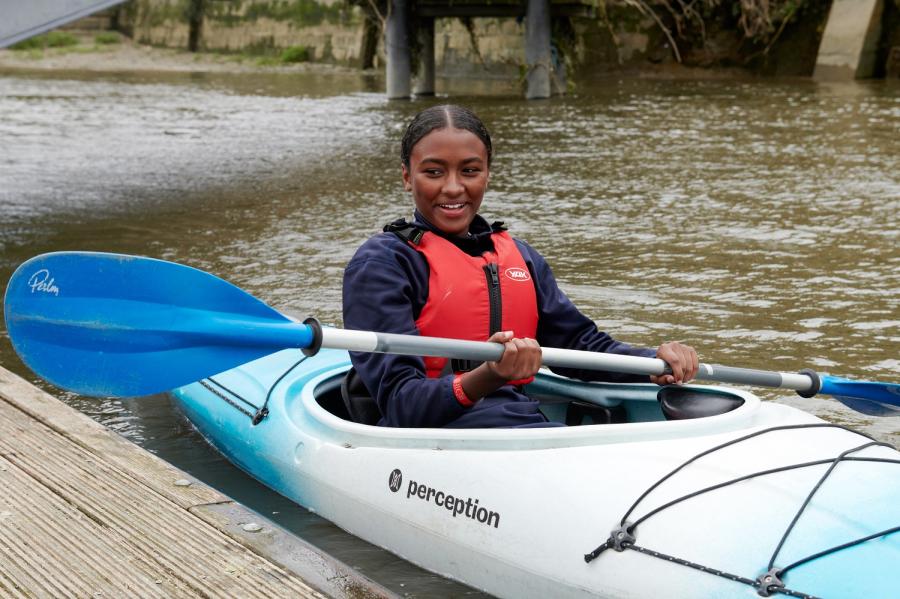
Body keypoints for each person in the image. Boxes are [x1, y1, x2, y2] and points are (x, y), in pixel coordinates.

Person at [342, 104, 698, 428]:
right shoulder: (383, 264)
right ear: (407, 177)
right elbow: (403, 406)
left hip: (520, 422)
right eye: (433, 172)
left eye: (469, 171)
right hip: (436, 436)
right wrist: (488, 376)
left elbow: (578, 344)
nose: (453, 188)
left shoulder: (520, 256)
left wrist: (654, 362)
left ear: (487, 174)